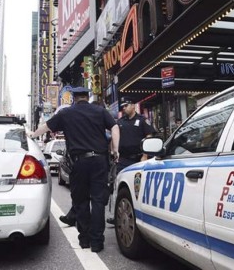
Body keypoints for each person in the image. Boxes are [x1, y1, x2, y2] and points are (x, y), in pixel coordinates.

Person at [31, 87, 119, 253]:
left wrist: (32, 136)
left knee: (81, 201)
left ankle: (84, 239)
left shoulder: (66, 113)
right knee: (98, 201)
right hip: (100, 161)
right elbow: (114, 127)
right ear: (87, 97)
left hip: (79, 162)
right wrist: (116, 149)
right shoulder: (100, 111)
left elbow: (46, 127)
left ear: (73, 98)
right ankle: (97, 242)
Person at [107, 96, 155, 225]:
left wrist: (145, 155)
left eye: (126, 105)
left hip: (138, 159)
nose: (123, 108)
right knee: (118, 187)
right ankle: (116, 215)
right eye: (122, 106)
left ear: (133, 105)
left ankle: (139, 214)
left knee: (138, 188)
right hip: (122, 159)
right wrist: (113, 153)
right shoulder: (120, 122)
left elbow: (149, 136)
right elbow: (113, 138)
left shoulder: (143, 120)